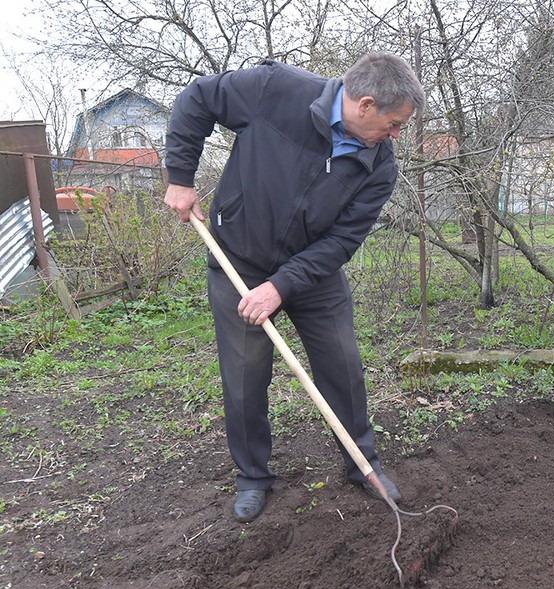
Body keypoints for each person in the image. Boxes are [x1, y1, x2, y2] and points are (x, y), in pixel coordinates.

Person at [163, 52, 425, 522]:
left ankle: (361, 464)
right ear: (365, 105)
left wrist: (281, 286)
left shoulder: (378, 165)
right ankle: (253, 477)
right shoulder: (276, 90)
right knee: (244, 377)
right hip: (238, 258)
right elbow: (199, 98)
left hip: (312, 273)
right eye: (394, 123)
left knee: (342, 364)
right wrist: (180, 178)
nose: (395, 134)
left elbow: (343, 240)